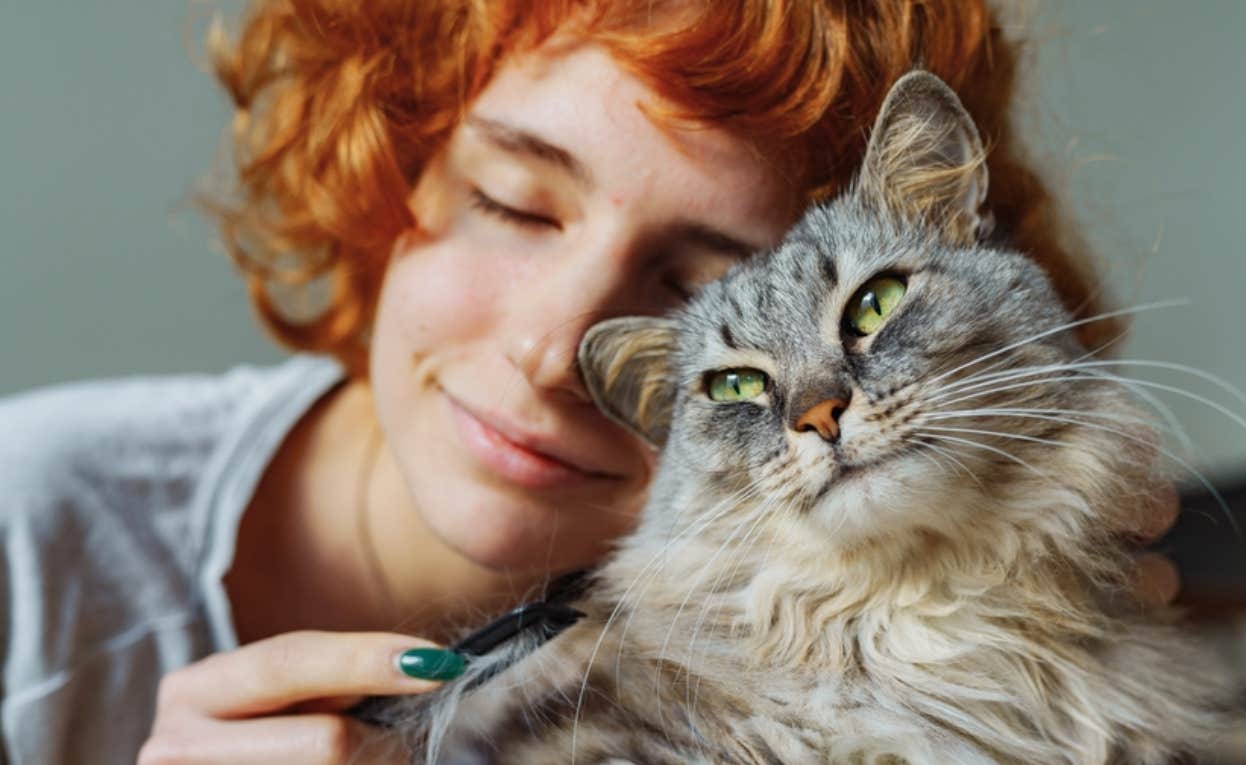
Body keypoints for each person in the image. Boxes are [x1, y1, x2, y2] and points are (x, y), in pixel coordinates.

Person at [0, 1, 1181, 762]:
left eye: (693, 289)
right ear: (388, 171)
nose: (556, 349)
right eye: (513, 205)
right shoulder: (27, 522)